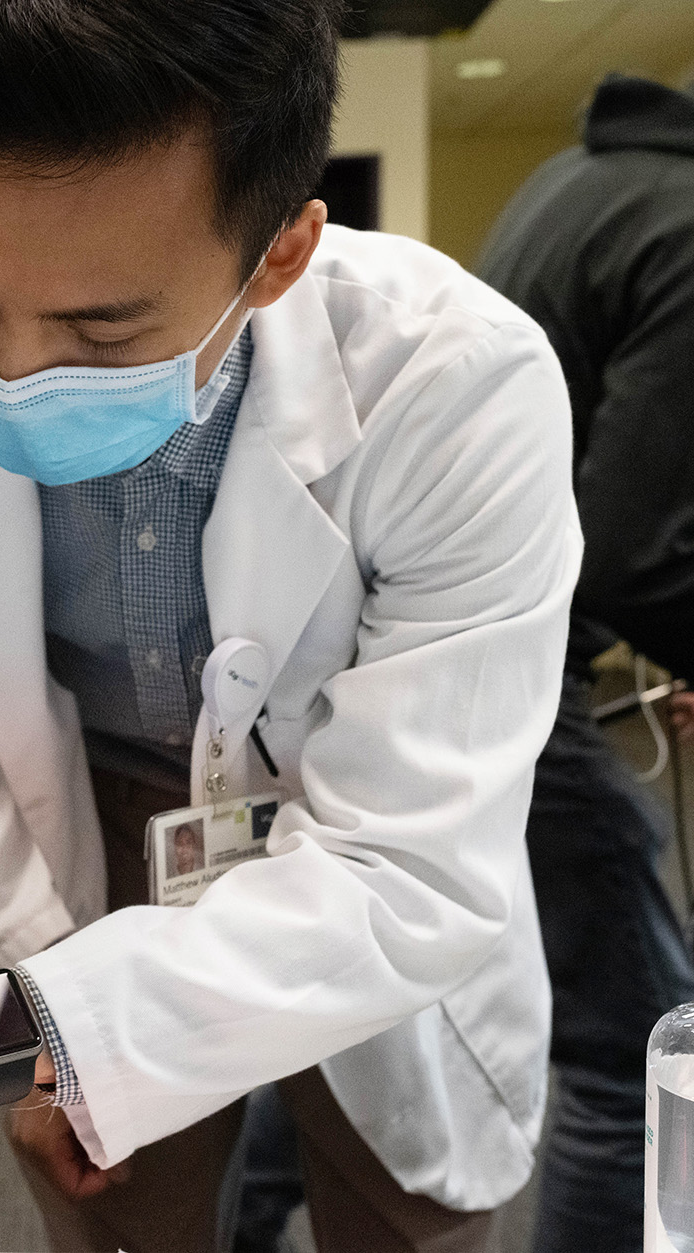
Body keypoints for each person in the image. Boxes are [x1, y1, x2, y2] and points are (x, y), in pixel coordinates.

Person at [0, 0, 579, 1251]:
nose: (6, 373)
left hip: (352, 821)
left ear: (278, 254)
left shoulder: (459, 384)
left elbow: (404, 866)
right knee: (116, 1210)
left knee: (406, 1205)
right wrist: (49, 998)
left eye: (98, 331)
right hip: (94, 821)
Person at [470, 71, 694, 1253]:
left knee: (369, 1001)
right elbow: (623, 556)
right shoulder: (681, 224)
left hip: (441, 648)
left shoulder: (577, 180)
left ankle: (230, 1228)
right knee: (631, 1038)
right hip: (507, 666)